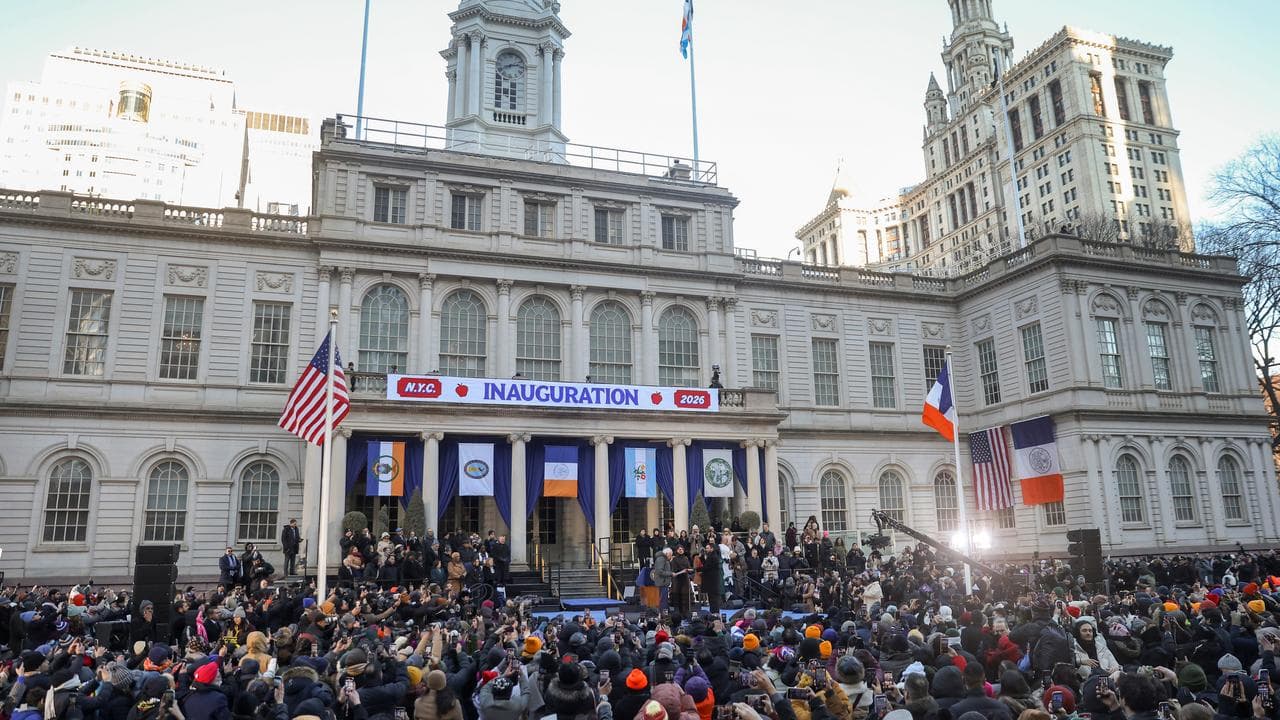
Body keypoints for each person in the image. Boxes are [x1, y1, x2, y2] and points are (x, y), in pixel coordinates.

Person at [653, 547, 674, 613]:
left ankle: (664, 615)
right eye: (670, 555)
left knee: (663, 600)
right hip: (662, 583)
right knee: (663, 601)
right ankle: (664, 617)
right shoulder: (661, 559)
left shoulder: (662, 559)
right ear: (667, 553)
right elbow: (660, 571)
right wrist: (670, 573)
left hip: (662, 583)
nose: (671, 557)